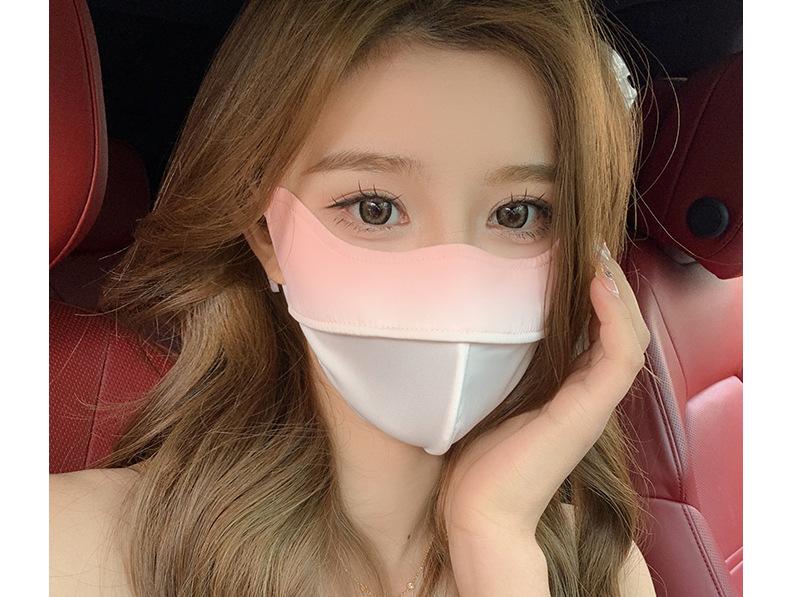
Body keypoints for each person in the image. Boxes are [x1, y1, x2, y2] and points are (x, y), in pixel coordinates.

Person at [50, 1, 657, 595]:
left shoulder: (604, 567)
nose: (450, 284)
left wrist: (495, 542)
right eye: (375, 208)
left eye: (519, 213)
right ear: (266, 233)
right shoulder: (69, 549)